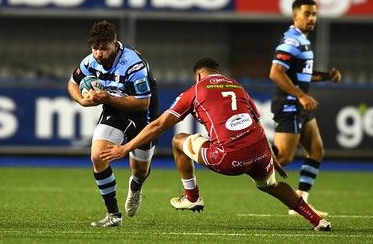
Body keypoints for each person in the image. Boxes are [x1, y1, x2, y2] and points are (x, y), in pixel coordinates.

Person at [100, 57, 332, 231]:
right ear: (217, 72)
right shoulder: (237, 85)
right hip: (260, 151)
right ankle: (317, 220)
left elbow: (158, 125)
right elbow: (258, 125)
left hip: (228, 157)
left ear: (198, 75)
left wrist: (126, 148)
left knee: (178, 140)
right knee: (271, 185)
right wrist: (271, 157)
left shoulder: (196, 90)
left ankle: (192, 198)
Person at [67, 20, 159, 227]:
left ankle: (136, 188)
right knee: (97, 156)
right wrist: (82, 100)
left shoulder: (133, 64)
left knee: (140, 170)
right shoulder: (90, 61)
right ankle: (113, 216)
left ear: (114, 44)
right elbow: (73, 83)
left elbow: (142, 103)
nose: (98, 54)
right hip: (114, 110)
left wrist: (106, 98)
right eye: (95, 48)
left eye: (103, 49)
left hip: (141, 115)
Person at [269, 0, 341, 217]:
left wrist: (326, 76)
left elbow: (303, 74)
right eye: (307, 14)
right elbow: (275, 73)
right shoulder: (291, 41)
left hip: (300, 105)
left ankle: (302, 201)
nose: (311, 18)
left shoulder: (303, 40)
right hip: (290, 104)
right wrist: (301, 95)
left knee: (316, 151)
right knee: (283, 158)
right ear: (295, 16)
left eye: (314, 14)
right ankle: (242, 160)